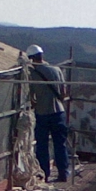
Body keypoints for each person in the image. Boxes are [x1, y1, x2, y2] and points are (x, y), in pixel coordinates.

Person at [26, 44, 69, 183]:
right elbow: (63, 93)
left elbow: (31, 98)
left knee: (42, 145)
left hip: (42, 113)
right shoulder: (57, 70)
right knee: (60, 144)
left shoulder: (31, 74)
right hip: (59, 112)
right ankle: (63, 174)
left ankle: (44, 174)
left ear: (31, 58)